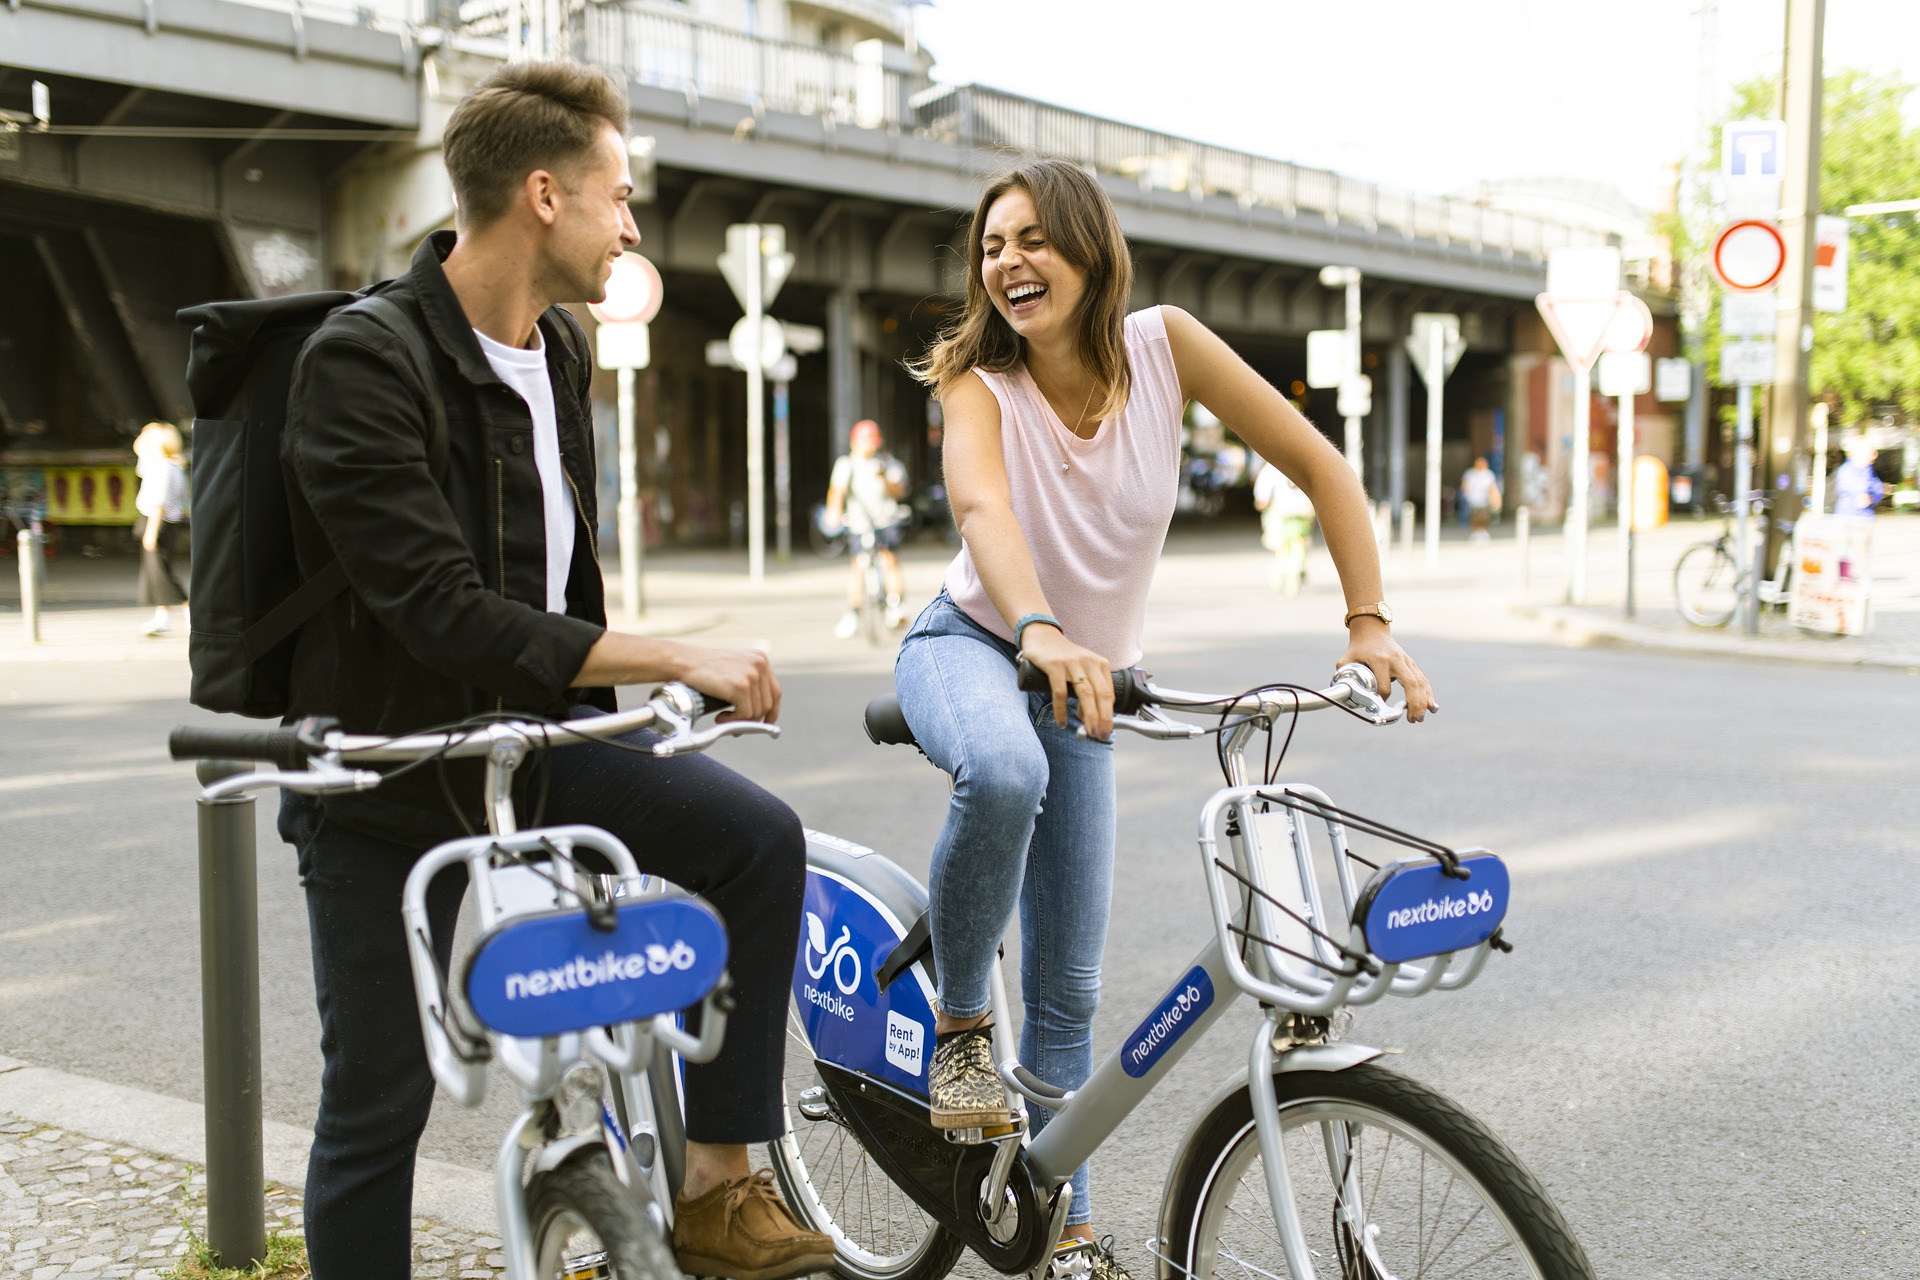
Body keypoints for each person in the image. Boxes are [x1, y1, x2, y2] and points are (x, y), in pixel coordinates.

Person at [278, 61, 830, 1280]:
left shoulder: (562, 349)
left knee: (756, 840)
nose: (631, 224)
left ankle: (715, 1188)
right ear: (543, 195)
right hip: (385, 775)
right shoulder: (361, 360)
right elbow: (444, 610)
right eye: (618, 195)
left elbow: (554, 584)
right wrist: (678, 652)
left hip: (540, 749)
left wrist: (635, 699)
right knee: (378, 1100)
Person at [897, 159, 1436, 1277]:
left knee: (1070, 993)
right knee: (1003, 772)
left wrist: (1369, 621)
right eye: (993, 244)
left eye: (1035, 238)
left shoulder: (1166, 345)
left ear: (1095, 251)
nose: (1008, 261)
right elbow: (984, 507)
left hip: (1085, 683)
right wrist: (1039, 625)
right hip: (974, 647)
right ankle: (956, 1031)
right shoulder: (975, 383)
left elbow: (1319, 464)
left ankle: (1067, 1228)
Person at [823, 418, 910, 636]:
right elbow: (837, 491)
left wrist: (885, 479)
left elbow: (899, 492)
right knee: (858, 566)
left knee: (890, 561)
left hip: (885, 520)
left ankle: (895, 604)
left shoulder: (887, 463)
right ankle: (853, 613)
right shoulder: (846, 464)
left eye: (873, 440)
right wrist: (833, 513)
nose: (870, 445)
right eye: (865, 440)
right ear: (855, 442)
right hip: (860, 523)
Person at [132, 421, 189, 635]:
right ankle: (162, 617)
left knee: (162, 573)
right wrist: (148, 431)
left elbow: (159, 503)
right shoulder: (170, 465)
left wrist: (151, 533)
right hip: (166, 523)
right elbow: (139, 451)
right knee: (156, 574)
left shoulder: (163, 469)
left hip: (159, 523)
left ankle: (189, 612)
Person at [1251, 457, 1315, 594]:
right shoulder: (1304, 465)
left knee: (1275, 538)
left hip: (1282, 511)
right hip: (1305, 510)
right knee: (1303, 537)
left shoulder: (1271, 469)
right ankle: (1300, 564)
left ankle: (1279, 569)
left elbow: (1262, 498)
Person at [1832, 442, 1886, 519]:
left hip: (1865, 517)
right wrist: (1862, 497)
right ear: (1859, 454)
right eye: (1870, 453)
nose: (1874, 456)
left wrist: (1872, 498)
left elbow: (1878, 490)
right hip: (1848, 518)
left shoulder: (1869, 471)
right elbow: (1858, 493)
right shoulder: (1846, 471)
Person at [1460, 455, 1501, 543]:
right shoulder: (1470, 474)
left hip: (1484, 500)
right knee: (1474, 516)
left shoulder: (1489, 474)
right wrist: (1466, 495)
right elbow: (1465, 485)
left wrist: (1495, 499)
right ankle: (1475, 532)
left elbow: (1492, 487)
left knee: (1484, 516)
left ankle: (1482, 532)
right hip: (1473, 499)